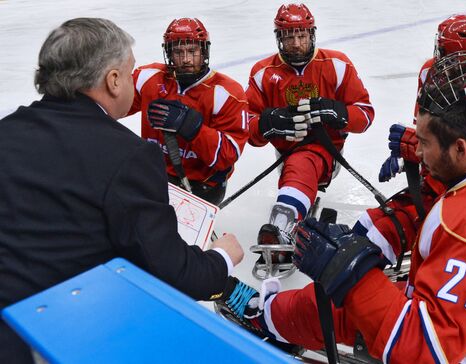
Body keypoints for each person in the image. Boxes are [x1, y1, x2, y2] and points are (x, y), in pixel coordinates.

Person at [221, 47, 466, 363]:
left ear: (460, 149)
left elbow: (422, 350)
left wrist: (351, 272)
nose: (417, 154)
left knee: (353, 297)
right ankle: (269, 314)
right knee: (349, 303)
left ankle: (268, 316)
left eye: (424, 144)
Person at [0, 18, 244, 364]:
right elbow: (173, 275)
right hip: (46, 338)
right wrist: (221, 258)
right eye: (129, 73)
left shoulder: (7, 130)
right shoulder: (129, 156)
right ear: (113, 81)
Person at [356, 15, 466, 269]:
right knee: (363, 237)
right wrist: (414, 150)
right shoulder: (432, 73)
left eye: (446, 56)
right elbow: (432, 131)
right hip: (440, 184)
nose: (441, 66)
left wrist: (411, 146)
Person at [246, 3, 375, 278]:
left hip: (326, 151)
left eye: (301, 35)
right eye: (289, 36)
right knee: (296, 163)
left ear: (312, 34)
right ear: (279, 37)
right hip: (284, 153)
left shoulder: (337, 65)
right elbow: (247, 128)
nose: (296, 43)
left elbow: (365, 114)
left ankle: (281, 227)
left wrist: (337, 112)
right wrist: (268, 122)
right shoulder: (262, 73)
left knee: (303, 162)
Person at [128, 18, 249, 205]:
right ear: (169, 53)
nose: (185, 60)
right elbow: (109, 105)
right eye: (178, 52)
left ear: (204, 51)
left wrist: (193, 128)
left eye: (192, 51)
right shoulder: (148, 78)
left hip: (202, 185)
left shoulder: (227, 93)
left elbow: (228, 154)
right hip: (155, 175)